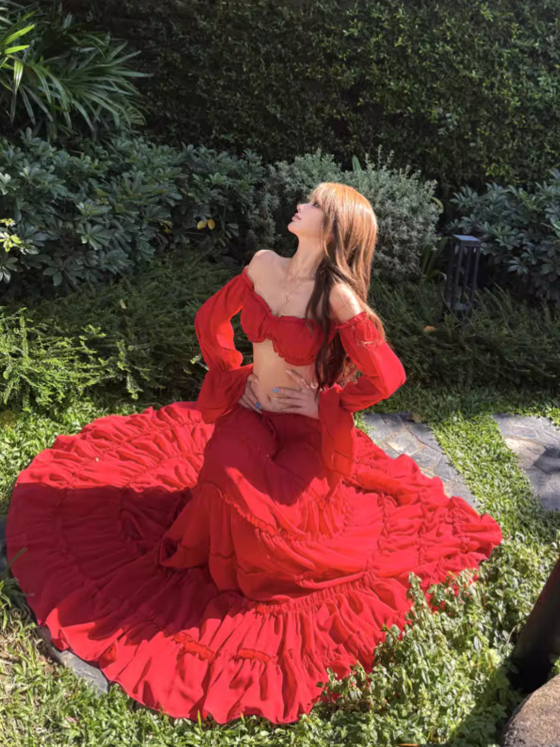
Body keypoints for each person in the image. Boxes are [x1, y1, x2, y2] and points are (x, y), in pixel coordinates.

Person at [5, 182, 503, 725]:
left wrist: (326, 403)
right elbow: (210, 320)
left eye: (314, 204)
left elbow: (387, 375)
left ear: (334, 226)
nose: (301, 205)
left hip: (304, 434)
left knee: (278, 523)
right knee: (225, 471)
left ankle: (259, 559)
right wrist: (231, 373)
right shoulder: (264, 264)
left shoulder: (337, 296)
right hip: (252, 410)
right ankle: (222, 551)